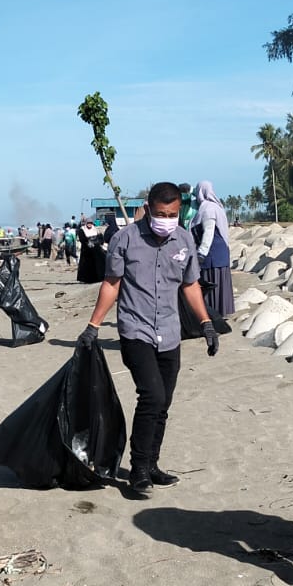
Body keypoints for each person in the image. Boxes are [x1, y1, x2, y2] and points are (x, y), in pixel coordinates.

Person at [78, 181, 220, 498]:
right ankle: (138, 469)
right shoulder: (125, 239)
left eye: (172, 215)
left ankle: (152, 464)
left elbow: (190, 285)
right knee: (152, 396)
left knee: (163, 403)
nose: (166, 220)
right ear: (148, 208)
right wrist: (93, 325)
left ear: (179, 211)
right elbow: (112, 283)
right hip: (135, 329)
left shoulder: (184, 240)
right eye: (160, 214)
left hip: (170, 332)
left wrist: (206, 323)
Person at [192, 180, 235, 328]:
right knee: (219, 282)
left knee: (211, 282)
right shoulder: (216, 207)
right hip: (220, 252)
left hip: (212, 253)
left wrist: (201, 253)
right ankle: (218, 314)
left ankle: (212, 315)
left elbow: (209, 232)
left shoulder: (208, 208)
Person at [76, 217, 106, 283]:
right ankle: (86, 279)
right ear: (86, 223)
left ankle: (98, 278)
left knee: (97, 264)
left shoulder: (95, 229)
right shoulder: (82, 230)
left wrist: (97, 243)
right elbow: (82, 239)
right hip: (86, 251)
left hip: (96, 251)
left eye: (91, 223)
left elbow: (100, 238)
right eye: (88, 223)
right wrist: (88, 242)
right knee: (87, 265)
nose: (89, 224)